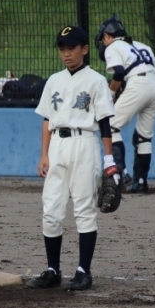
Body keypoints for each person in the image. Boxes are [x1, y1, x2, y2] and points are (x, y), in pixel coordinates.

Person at [28, 25, 117, 291]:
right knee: (51, 211)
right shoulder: (54, 80)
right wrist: (44, 154)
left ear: (85, 49)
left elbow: (104, 122)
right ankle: (53, 270)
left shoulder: (96, 81)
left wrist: (109, 159)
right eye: (62, 49)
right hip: (57, 145)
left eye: (72, 48)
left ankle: (83, 271)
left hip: (84, 144)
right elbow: (47, 119)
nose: (66, 54)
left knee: (84, 210)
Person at [94, 14, 155, 193]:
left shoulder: (113, 46)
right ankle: (141, 182)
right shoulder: (143, 45)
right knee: (144, 137)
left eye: (102, 39)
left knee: (110, 126)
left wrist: (111, 93)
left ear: (107, 36)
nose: (103, 43)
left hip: (138, 83)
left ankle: (122, 174)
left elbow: (118, 73)